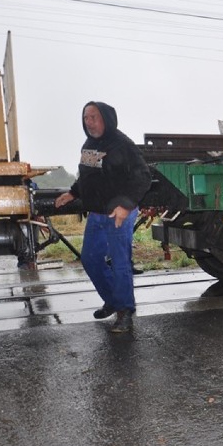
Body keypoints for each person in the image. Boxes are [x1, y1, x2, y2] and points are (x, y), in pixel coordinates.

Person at [55, 101, 151, 333]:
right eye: (86, 117)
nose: (89, 122)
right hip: (97, 212)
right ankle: (113, 300)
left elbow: (143, 177)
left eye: (93, 117)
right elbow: (88, 175)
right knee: (90, 259)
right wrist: (72, 192)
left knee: (120, 262)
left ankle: (125, 311)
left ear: (106, 118)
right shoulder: (89, 145)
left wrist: (126, 206)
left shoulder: (122, 144)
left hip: (119, 212)